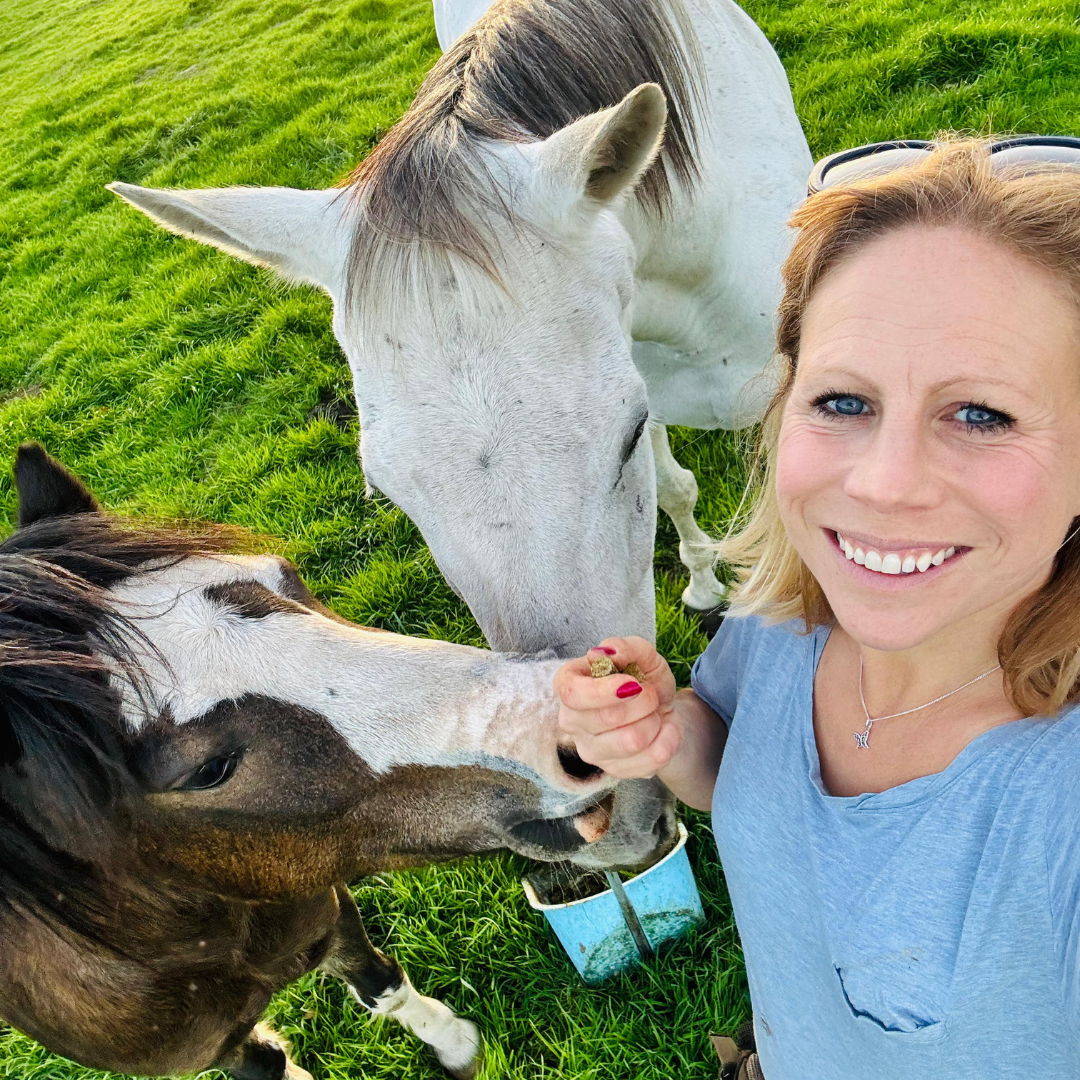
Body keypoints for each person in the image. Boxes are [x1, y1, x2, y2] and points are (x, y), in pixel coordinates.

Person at [555, 136, 1080, 1079]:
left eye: (981, 415)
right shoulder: (783, 620)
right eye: (843, 401)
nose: (883, 484)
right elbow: (746, 769)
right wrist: (671, 732)